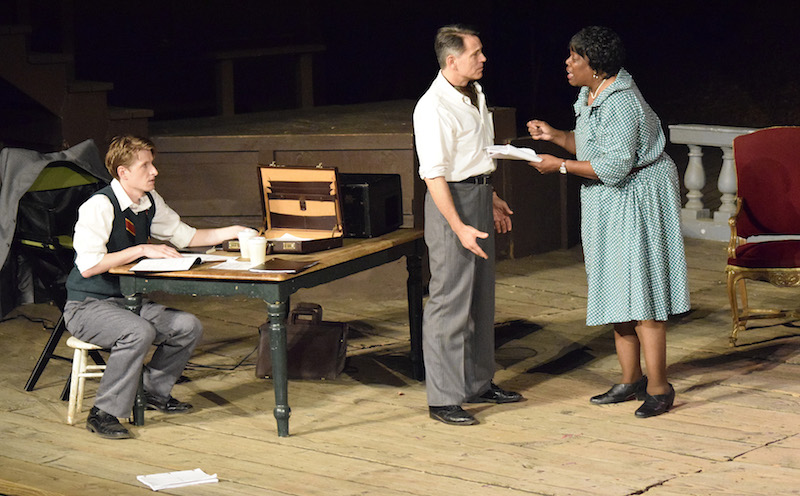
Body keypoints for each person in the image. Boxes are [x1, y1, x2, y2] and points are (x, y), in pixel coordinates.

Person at [527, 26, 690, 418]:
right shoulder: (591, 94)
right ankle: (630, 378)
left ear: (596, 66)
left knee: (641, 291)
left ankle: (659, 386)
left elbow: (613, 167)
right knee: (616, 287)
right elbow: (593, 145)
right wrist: (556, 136)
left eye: (575, 57)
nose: (567, 63)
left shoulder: (620, 102)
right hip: (610, 200)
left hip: (635, 197)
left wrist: (560, 166)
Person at [64, 135, 247, 439]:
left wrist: (237, 230)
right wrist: (141, 250)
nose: (154, 171)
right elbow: (88, 266)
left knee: (187, 325)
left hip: (129, 301)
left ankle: (152, 392)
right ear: (123, 172)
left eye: (152, 163)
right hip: (88, 306)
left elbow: (186, 236)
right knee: (138, 331)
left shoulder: (148, 201)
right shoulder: (99, 206)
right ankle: (104, 412)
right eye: (145, 165)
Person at [413, 25, 523, 426]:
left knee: (480, 296)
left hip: (476, 195)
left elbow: (476, 154)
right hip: (451, 204)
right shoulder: (432, 107)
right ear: (452, 60)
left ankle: (478, 382)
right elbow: (435, 175)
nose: (483, 58)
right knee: (449, 300)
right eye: (476, 53)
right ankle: (443, 396)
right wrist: (458, 225)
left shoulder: (474, 93)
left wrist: (489, 197)